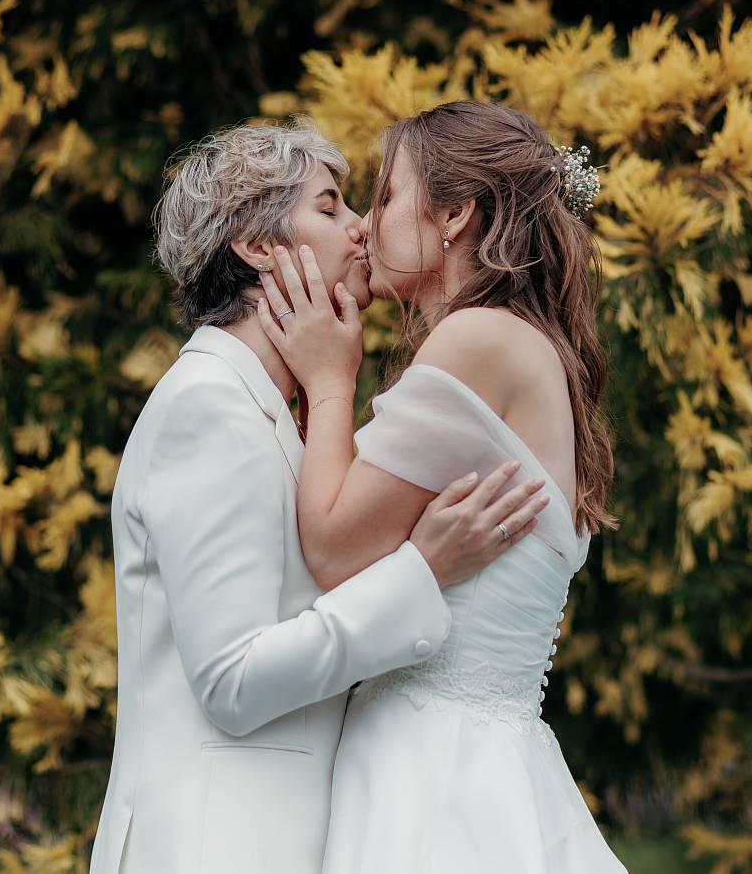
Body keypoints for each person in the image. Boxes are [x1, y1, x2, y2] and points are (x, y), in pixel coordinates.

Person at [87, 121, 551, 874]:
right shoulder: (206, 406)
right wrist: (422, 573)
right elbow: (233, 682)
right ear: (260, 246)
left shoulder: (275, 413)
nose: (362, 226)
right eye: (330, 207)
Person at [256, 101, 628, 872]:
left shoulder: (478, 338)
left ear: (454, 215)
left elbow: (330, 547)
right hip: (489, 760)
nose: (363, 225)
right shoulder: (520, 346)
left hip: (431, 774)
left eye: (384, 197)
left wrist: (332, 379)